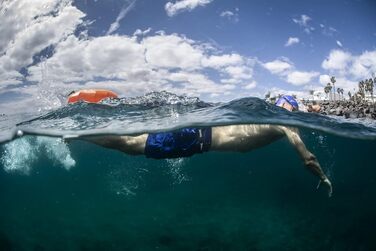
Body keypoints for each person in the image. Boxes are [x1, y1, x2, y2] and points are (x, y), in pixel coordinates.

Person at [80, 95, 333, 196]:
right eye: (290, 106)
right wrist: (323, 177)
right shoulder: (287, 126)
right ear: (287, 107)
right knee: (130, 144)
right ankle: (82, 133)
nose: (287, 108)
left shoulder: (279, 122)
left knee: (131, 145)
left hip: (199, 139)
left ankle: (86, 132)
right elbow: (308, 158)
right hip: (197, 138)